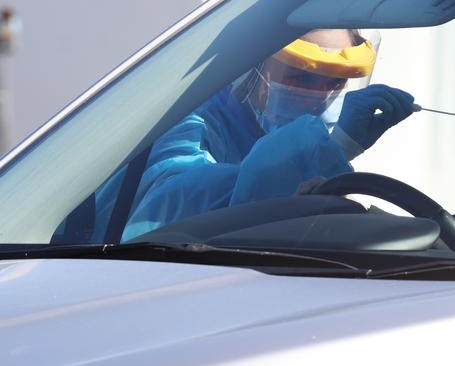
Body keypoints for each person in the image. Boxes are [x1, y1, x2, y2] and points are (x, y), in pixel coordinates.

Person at [95, 29, 414, 241]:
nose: (322, 96)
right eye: (300, 75)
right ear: (254, 68)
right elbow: (181, 202)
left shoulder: (281, 136)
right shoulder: (188, 122)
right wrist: (332, 148)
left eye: (336, 82)